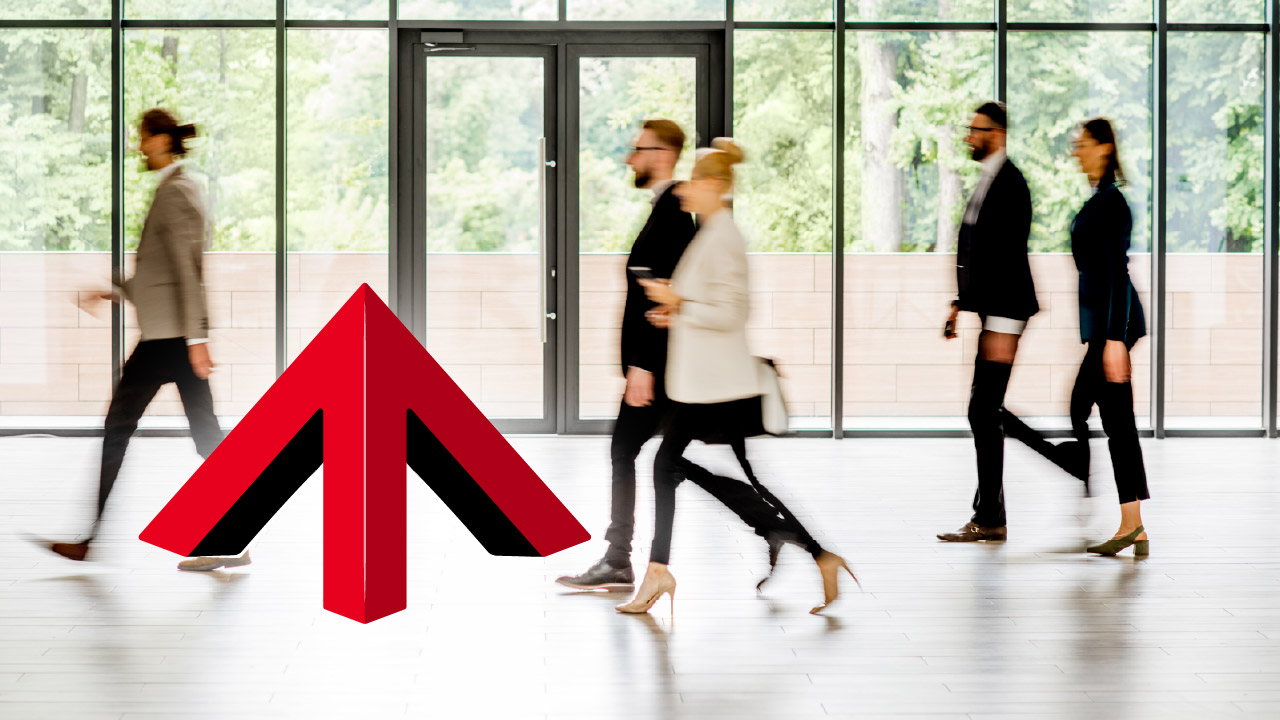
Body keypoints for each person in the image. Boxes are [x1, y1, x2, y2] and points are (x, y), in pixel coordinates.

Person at [617, 138, 853, 616]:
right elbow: (707, 303)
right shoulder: (711, 233)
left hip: (715, 385)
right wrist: (673, 310)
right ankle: (807, 548)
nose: (685, 190)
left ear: (715, 186)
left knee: (670, 466)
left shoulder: (725, 238)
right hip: (703, 381)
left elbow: (732, 314)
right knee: (681, 468)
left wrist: (679, 303)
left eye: (695, 182)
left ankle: (668, 569)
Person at [45, 109, 249, 572]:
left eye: (143, 138)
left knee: (124, 427)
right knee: (204, 437)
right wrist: (112, 290)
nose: (139, 147)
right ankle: (232, 536)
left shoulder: (177, 192)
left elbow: (189, 271)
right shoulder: (173, 189)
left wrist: (198, 338)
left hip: (170, 341)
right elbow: (159, 275)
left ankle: (91, 540)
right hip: (169, 337)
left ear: (160, 141)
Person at [555, 119, 697, 591]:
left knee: (628, 452)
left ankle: (619, 559)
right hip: (656, 366)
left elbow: (663, 300)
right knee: (638, 455)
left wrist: (643, 366)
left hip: (656, 367)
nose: (629, 158)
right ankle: (621, 558)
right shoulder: (667, 208)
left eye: (638, 149)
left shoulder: (674, 212)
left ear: (664, 154)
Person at [937, 101, 1047, 544]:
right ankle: (990, 514)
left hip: (1006, 309)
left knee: (983, 409)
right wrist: (960, 304)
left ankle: (991, 517)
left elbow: (1005, 258)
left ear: (996, 134)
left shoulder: (1010, 183)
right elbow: (977, 253)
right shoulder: (989, 178)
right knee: (985, 409)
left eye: (976, 129)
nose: (969, 136)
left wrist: (999, 325)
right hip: (993, 309)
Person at [1064, 118, 1150, 556]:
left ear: (1104, 147)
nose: (1076, 152)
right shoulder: (1101, 198)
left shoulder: (1112, 203)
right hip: (1105, 328)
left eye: (1082, 144)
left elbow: (1117, 272)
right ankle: (1132, 523)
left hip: (1112, 329)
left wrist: (1115, 340)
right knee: (1108, 419)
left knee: (1101, 416)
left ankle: (1123, 518)